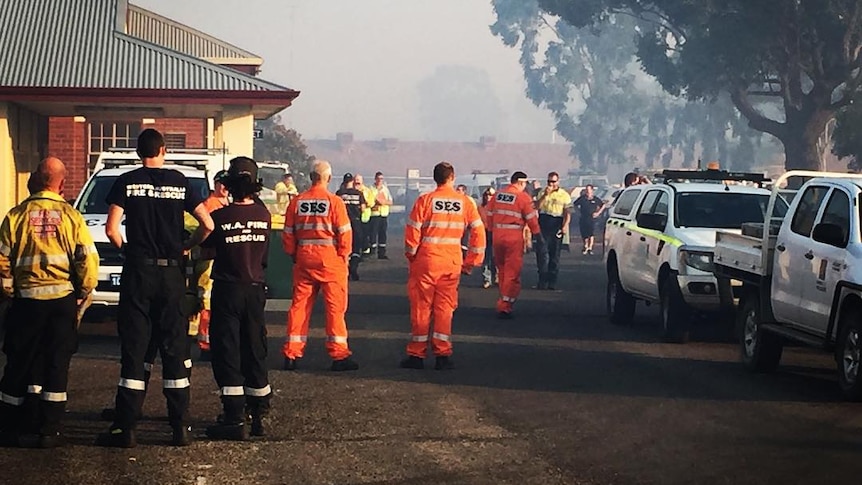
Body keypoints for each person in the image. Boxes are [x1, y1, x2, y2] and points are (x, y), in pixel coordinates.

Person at [97, 129, 214, 448]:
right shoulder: (180, 181)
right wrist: (186, 245)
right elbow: (208, 224)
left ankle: (126, 428)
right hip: (171, 275)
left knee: (135, 350)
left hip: (139, 273)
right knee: (174, 349)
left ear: (138, 152)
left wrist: (127, 251)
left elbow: (111, 228)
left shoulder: (126, 181)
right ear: (163, 150)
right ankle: (179, 428)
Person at [0, 157, 99, 448]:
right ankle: (49, 430)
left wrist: (8, 291)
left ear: (34, 180)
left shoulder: (16, 216)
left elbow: (2, 259)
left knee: (19, 361)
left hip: (27, 301)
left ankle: (8, 427)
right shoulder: (70, 216)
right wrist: (84, 289)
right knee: (57, 363)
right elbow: (87, 258)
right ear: (62, 183)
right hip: (61, 302)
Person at [200, 157, 272, 441]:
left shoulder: (220, 217)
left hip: (228, 290)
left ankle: (233, 417)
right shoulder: (264, 216)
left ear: (229, 185)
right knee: (255, 347)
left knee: (227, 350)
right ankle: (259, 412)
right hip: (255, 289)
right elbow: (264, 257)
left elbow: (207, 251)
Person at [400, 161, 485, 370]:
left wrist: (412, 256)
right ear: (452, 177)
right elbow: (478, 232)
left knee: (421, 308)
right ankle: (442, 354)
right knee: (444, 309)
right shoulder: (465, 202)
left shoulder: (425, 201)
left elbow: (412, 232)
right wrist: (471, 261)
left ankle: (417, 355)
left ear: (434, 178)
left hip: (426, 261)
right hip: (451, 263)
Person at [282, 160, 359, 372]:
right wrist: (344, 257)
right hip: (331, 262)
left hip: (304, 260)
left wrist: (294, 254)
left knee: (299, 307)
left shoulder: (297, 202)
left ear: (310, 177)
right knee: (335, 309)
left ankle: (292, 353)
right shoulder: (334, 202)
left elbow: (288, 234)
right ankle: (338, 355)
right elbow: (345, 235)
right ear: (328, 178)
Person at [486, 171, 541, 319]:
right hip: (513, 238)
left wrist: (491, 231)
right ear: (521, 183)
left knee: (502, 270)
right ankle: (505, 304)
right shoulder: (523, 197)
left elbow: (489, 214)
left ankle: (503, 299)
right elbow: (532, 219)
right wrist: (537, 235)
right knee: (513, 272)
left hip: (497, 236)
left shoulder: (498, 195)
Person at [193, 169, 231, 360]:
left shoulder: (228, 203)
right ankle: (205, 344)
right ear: (215, 184)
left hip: (224, 259)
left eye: (227, 183)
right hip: (210, 260)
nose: (224, 187)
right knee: (207, 302)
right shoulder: (210, 205)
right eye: (221, 183)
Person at [534, 172, 572, 290]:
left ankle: (552, 282)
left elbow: (567, 212)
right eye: (549, 181)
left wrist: (565, 225)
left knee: (554, 255)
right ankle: (542, 281)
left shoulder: (564, 195)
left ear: (558, 182)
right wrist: (545, 195)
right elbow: (537, 207)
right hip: (544, 223)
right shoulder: (542, 192)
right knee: (542, 254)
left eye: (553, 182)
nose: (551, 184)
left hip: (556, 224)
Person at [336, 173, 366, 281]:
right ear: (352, 181)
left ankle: (345, 269)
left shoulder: (339, 194)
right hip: (356, 223)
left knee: (343, 247)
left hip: (342, 224)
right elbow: (363, 208)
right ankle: (354, 267)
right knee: (356, 247)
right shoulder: (358, 194)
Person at [572, 184, 605, 255]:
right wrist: (577, 212)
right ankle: (585, 246)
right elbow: (575, 204)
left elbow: (603, 205)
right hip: (583, 218)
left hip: (592, 218)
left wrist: (598, 213)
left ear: (592, 190)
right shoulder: (582, 198)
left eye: (588, 190)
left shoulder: (595, 199)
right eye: (586, 190)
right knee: (584, 233)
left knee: (591, 233)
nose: (587, 191)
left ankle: (590, 247)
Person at [369, 171, 393, 259]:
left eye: (381, 179)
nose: (380, 180)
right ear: (375, 179)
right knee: (373, 233)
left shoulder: (385, 190)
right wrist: (376, 202)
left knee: (382, 234)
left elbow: (390, 201)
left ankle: (382, 253)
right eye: (378, 178)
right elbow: (369, 201)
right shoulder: (371, 189)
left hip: (383, 214)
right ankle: (372, 252)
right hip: (374, 214)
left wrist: (383, 202)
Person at [478, 187, 497, 289]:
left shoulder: (497, 208)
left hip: (495, 232)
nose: (488, 197)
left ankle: (497, 276)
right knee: (486, 257)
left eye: (490, 195)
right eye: (486, 195)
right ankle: (487, 278)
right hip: (484, 233)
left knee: (496, 256)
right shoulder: (480, 208)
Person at [354, 174, 373, 256]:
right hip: (355, 217)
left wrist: (363, 203)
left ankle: (365, 251)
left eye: (359, 180)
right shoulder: (351, 191)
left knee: (365, 234)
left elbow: (372, 202)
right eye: (356, 180)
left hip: (365, 217)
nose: (357, 181)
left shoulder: (367, 191)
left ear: (362, 181)